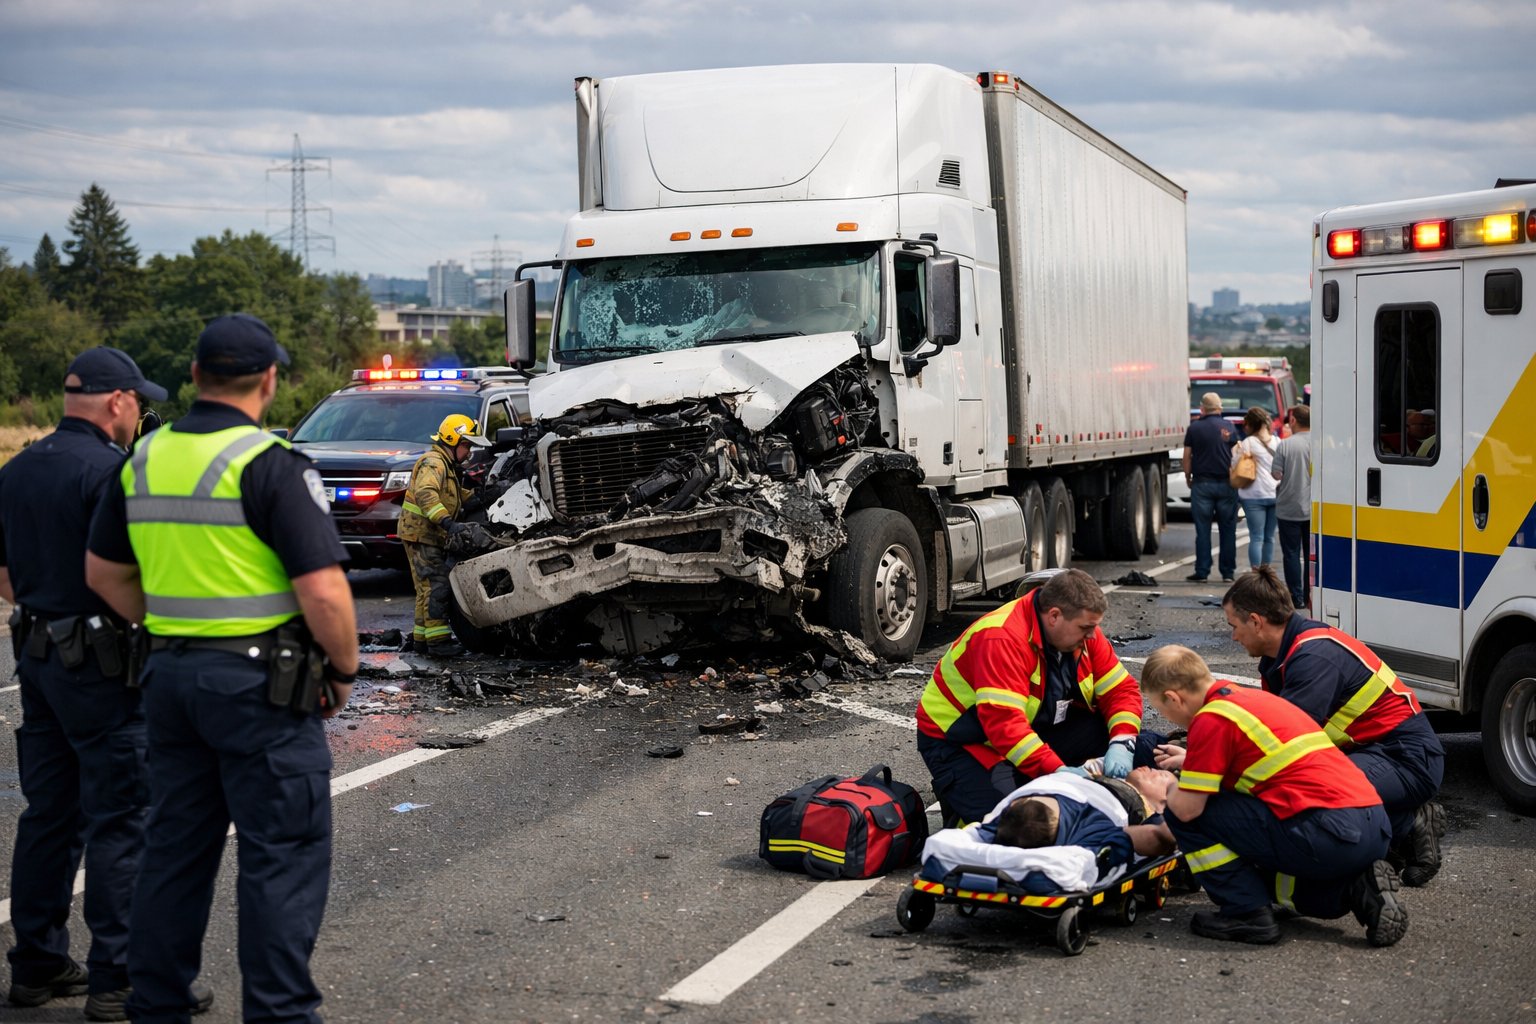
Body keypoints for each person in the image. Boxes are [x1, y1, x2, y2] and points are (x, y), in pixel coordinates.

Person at [85, 313, 359, 1024]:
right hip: (260, 688)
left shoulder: (142, 458)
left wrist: (171, 626)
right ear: (269, 380)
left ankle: (158, 1003)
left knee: (173, 850)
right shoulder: (269, 462)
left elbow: (103, 574)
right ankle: (279, 1014)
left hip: (170, 680)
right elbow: (324, 591)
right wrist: (344, 671)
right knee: (280, 854)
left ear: (196, 377)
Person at [0, 349, 184, 1018]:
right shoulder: (111, 473)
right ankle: (118, 978)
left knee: (49, 814)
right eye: (136, 401)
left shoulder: (17, 470)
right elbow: (137, 571)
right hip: (103, 667)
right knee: (121, 818)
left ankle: (37, 966)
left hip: (38, 658)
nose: (137, 413)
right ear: (116, 402)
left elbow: (6, 579)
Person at [1140, 644, 1406, 947]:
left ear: (1174, 697)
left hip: (1329, 834)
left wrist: (1168, 789)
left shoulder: (1210, 720)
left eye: (1164, 710)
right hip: (1372, 827)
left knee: (1185, 817)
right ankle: (1359, 890)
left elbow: (1188, 810)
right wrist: (1193, 760)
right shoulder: (1249, 700)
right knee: (1261, 873)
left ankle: (1246, 913)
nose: (1170, 719)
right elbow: (1263, 763)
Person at [1218, 568, 1446, 885]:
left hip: (1406, 758)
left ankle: (1403, 830)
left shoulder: (1313, 657)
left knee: (1313, 792)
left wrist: (1215, 762)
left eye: (1234, 626)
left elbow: (1283, 743)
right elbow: (1265, 725)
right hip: (1377, 753)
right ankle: (1400, 830)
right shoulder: (1283, 655)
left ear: (1256, 621)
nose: (1233, 636)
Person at [915, 568, 1160, 826]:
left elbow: (1120, 690)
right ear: (1054, 616)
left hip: (1032, 727)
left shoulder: (1081, 632)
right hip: (963, 742)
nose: (1092, 636)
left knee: (1147, 748)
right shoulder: (1001, 638)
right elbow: (1004, 726)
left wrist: (1122, 743)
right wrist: (1057, 772)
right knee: (1020, 823)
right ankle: (960, 801)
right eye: (1085, 628)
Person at [398, 413, 490, 656]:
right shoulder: (434, 463)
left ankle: (421, 640)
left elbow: (452, 494)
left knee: (425, 588)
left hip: (421, 534)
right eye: (467, 445)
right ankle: (438, 643)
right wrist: (448, 523)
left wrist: (477, 497)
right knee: (436, 585)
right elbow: (426, 493)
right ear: (453, 440)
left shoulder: (445, 465)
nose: (469, 452)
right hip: (422, 534)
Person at [1182, 392, 1239, 582]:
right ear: (1220, 408)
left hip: (1202, 484)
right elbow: (1237, 455)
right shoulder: (1229, 427)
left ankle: (1202, 571)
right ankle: (1228, 572)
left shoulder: (1194, 428)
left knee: (1203, 530)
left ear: (1202, 409)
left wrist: (1188, 476)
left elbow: (1187, 456)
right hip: (1226, 484)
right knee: (1228, 530)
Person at [1270, 404, 1312, 608]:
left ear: (1293, 421)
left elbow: (1276, 474)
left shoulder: (1285, 445)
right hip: (1315, 509)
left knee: (1292, 554)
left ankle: (1296, 598)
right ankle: (1310, 594)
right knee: (1312, 554)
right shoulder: (1323, 443)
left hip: (1289, 507)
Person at [1232, 406, 1278, 570]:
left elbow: (1234, 464)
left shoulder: (1247, 443)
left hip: (1252, 495)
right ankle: (1266, 573)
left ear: (1250, 425)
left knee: (1256, 537)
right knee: (1269, 537)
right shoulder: (1277, 442)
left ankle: (1256, 573)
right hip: (1275, 493)